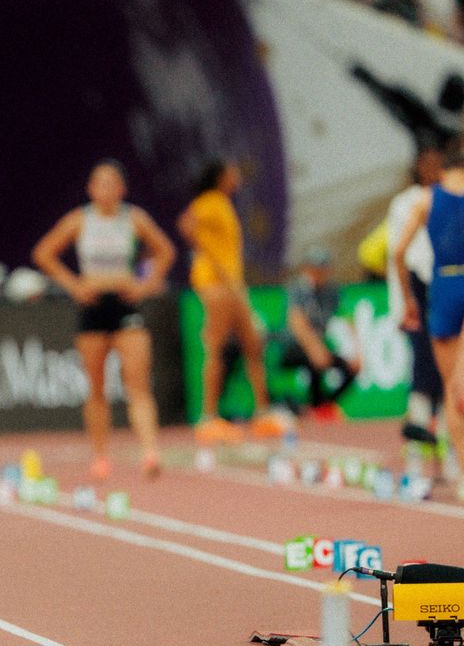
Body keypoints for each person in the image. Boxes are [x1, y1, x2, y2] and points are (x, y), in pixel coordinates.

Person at [33, 160, 176, 477]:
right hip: (93, 306)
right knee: (97, 387)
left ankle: (150, 452)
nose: (106, 189)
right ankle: (100, 456)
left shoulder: (134, 218)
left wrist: (146, 285)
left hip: (125, 305)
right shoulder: (79, 220)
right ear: (91, 189)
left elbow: (166, 250)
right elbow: (44, 253)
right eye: (100, 183)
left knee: (138, 383)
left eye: (112, 183)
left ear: (122, 189)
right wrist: (74, 286)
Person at [177, 160, 286, 443]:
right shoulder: (209, 201)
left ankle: (262, 413)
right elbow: (186, 225)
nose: (236, 176)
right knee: (216, 346)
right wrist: (212, 260)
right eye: (231, 172)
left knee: (253, 344)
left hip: (233, 285)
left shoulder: (223, 203)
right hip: (214, 284)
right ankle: (208, 418)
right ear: (220, 176)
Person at [393, 136, 464, 497]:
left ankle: (461, 470)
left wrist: (407, 300)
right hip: (452, 284)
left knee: (452, 386)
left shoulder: (426, 200)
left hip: (442, 287)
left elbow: (398, 253)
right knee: (454, 382)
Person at [384, 148, 445, 451]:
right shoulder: (407, 203)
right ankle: (421, 419)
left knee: (447, 357)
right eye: (428, 163)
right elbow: (397, 254)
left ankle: (443, 424)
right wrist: (401, 302)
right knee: (425, 352)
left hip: (446, 282)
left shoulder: (450, 196)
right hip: (419, 285)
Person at [279, 248, 358, 418]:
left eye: (323, 269)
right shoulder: (298, 289)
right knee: (314, 361)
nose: (319, 274)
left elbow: (348, 319)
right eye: (315, 269)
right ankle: (316, 406)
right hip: (294, 346)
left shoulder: (332, 290)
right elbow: (297, 322)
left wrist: (356, 352)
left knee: (350, 368)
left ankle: (323, 406)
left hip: (319, 345)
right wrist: (314, 347)